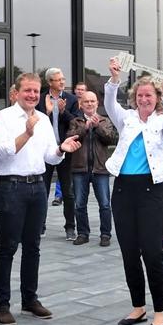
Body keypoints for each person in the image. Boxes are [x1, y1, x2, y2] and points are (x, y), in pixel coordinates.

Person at [0, 73, 82, 325]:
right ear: (16, 92)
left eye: (35, 91)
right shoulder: (3, 118)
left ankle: (29, 299)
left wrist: (62, 149)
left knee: (33, 246)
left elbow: (49, 157)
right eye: (27, 90)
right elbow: (0, 155)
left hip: (37, 187)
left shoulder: (42, 118)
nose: (31, 95)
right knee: (8, 246)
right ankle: (2, 305)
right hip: (11, 188)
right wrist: (26, 134)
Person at [103, 57, 163, 325]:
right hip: (123, 190)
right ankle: (138, 307)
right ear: (134, 98)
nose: (144, 98)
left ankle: (159, 311)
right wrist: (114, 79)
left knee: (151, 253)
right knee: (128, 253)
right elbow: (110, 104)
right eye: (140, 95)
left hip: (151, 191)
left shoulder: (162, 120)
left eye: (149, 95)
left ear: (157, 98)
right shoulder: (126, 118)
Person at [66, 90, 117, 247]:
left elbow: (111, 138)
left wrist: (97, 128)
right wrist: (86, 127)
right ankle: (83, 233)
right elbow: (70, 136)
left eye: (92, 101)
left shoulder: (105, 121)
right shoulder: (76, 121)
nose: (89, 104)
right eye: (86, 101)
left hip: (100, 168)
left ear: (97, 103)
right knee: (80, 204)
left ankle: (105, 234)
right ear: (81, 104)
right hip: (79, 168)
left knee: (105, 204)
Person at [36, 68, 80, 240]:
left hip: (65, 150)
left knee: (68, 192)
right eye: (58, 80)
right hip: (45, 150)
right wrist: (47, 112)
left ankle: (70, 227)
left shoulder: (71, 99)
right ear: (50, 82)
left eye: (63, 79)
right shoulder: (40, 98)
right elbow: (35, 122)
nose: (62, 82)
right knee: (42, 190)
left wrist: (63, 112)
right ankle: (40, 225)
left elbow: (77, 123)